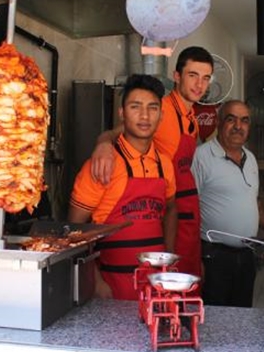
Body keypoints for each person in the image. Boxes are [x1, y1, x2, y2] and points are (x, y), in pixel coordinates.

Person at [90, 46, 214, 277]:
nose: (199, 85)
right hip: (166, 215)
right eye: (192, 76)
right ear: (177, 77)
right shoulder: (162, 109)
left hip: (186, 216)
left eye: (205, 78)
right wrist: (103, 143)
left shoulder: (192, 118)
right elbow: (116, 132)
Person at [68, 74, 178, 300]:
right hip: (111, 287)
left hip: (154, 287)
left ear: (161, 115)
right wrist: (95, 281)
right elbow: (73, 230)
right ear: (122, 114)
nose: (145, 116)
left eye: (152, 108)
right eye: (135, 107)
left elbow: (171, 208)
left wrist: (167, 256)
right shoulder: (101, 165)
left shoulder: (165, 164)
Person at [192, 100, 264, 307]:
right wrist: (194, 258)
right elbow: (188, 210)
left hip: (246, 256)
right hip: (213, 256)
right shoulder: (201, 157)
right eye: (231, 119)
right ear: (219, 122)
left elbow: (254, 202)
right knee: (214, 320)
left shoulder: (250, 158)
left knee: (243, 316)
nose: (238, 126)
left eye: (244, 121)